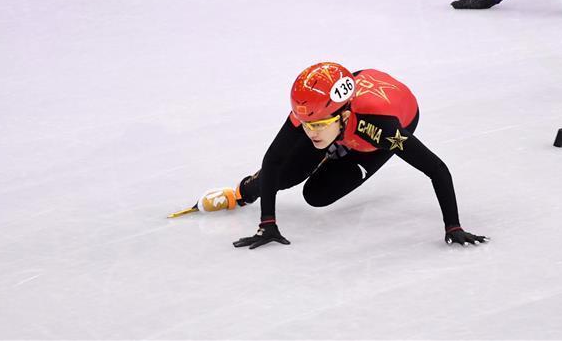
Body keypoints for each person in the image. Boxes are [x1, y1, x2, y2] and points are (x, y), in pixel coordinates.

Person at [172, 62, 488, 248]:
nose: (311, 132)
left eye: (319, 126)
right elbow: (274, 160)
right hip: (350, 101)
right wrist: (267, 222)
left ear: (343, 115)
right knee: (289, 174)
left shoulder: (380, 129)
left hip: (391, 120)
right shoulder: (312, 113)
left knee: (317, 195)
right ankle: (244, 191)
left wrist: (453, 227)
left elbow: (437, 169)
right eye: (307, 125)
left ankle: (337, 152)